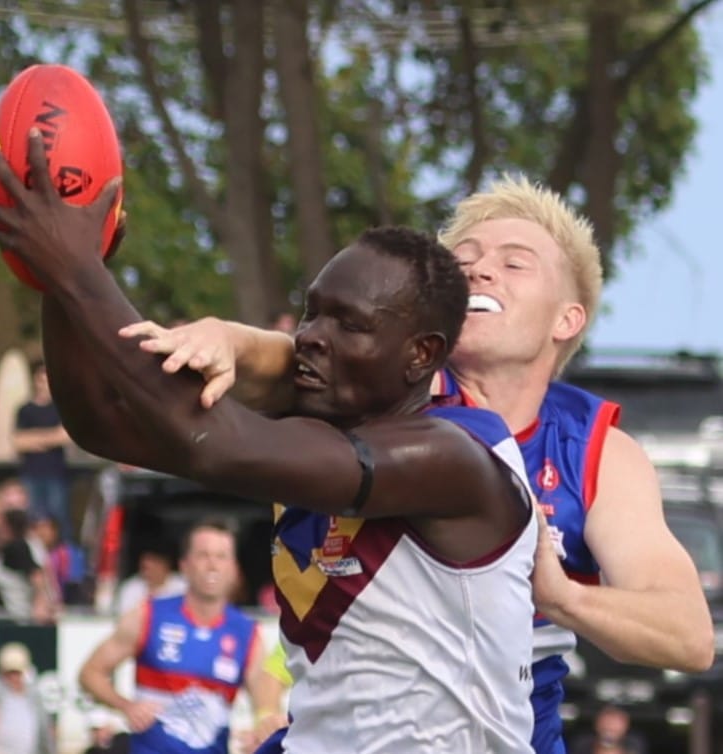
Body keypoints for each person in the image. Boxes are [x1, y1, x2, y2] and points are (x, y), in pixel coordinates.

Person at [121, 175, 715, 753]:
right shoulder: (374, 381)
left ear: (568, 318)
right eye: (466, 257)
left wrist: (561, 596)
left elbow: (688, 636)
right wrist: (223, 337)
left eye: (514, 263)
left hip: (502, 732)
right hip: (341, 724)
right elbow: (271, 356)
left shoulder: (596, 450)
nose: (480, 268)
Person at [0, 138, 540, 752]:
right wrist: (58, 279)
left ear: (421, 354)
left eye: (347, 324)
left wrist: (78, 270)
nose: (311, 338)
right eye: (312, 312)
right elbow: (100, 424)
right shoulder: (319, 422)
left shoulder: (455, 456)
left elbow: (212, 447)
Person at [79, 520, 268, 754]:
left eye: (221, 557)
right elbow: (90, 673)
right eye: (203, 555)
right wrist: (126, 706)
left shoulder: (246, 632)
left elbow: (267, 702)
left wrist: (261, 731)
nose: (212, 565)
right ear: (185, 565)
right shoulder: (149, 614)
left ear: (234, 569)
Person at [13, 363, 74, 541]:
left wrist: (34, 438)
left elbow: (63, 437)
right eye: (41, 380)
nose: (44, 384)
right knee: (31, 519)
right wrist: (49, 437)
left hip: (55, 473)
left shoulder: (61, 408)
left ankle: (63, 560)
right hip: (31, 472)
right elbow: (19, 442)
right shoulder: (25, 410)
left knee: (59, 519)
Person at [0, 642, 55, 754]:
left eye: (17, 672)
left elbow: (45, 734)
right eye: (9, 673)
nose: (13, 677)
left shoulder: (34, 698)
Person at [113, 545, 185, 616]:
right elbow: (124, 616)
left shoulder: (182, 586)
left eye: (151, 568)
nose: (147, 573)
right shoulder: (131, 587)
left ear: (165, 565)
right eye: (144, 568)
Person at [569, 705, 647, 754]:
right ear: (597, 724)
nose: (610, 727)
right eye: (607, 722)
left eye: (615, 723)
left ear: (626, 726)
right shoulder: (582, 747)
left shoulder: (634, 748)